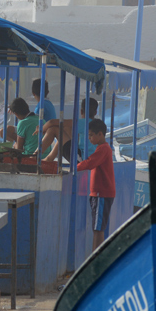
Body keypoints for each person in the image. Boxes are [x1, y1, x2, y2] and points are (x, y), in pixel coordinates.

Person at [75, 118, 116, 253]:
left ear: (100, 134)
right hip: (99, 194)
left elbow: (90, 163)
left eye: (91, 135)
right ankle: (96, 256)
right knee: (97, 228)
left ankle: (95, 258)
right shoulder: (102, 148)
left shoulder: (103, 149)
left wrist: (75, 168)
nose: (90, 138)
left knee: (98, 229)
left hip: (101, 194)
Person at [39, 97, 100, 163]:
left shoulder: (83, 123)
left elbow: (52, 122)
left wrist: (41, 129)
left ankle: (36, 156)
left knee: (53, 129)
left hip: (82, 160)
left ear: (81, 111)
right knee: (67, 129)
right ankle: (49, 159)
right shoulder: (96, 124)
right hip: (87, 158)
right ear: (96, 112)